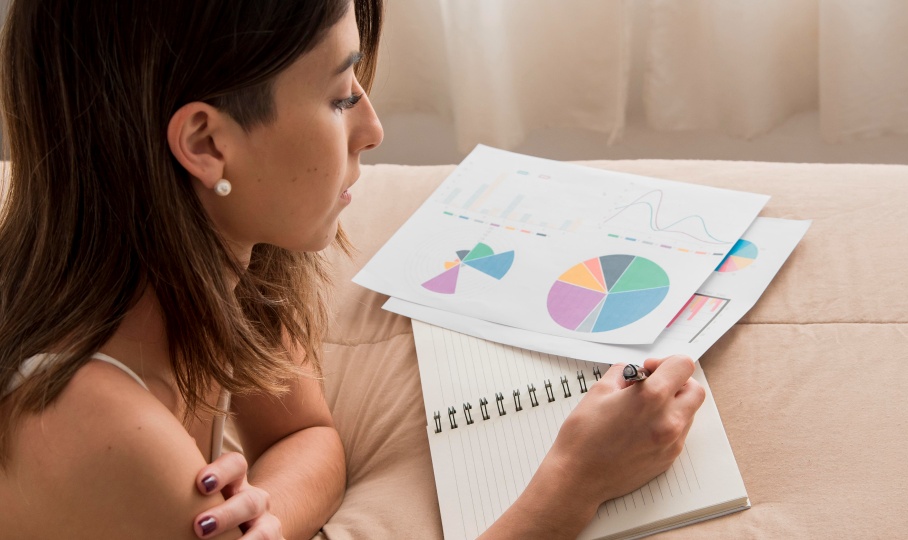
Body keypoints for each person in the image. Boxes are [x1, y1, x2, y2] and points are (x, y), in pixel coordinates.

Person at [0, 1, 705, 538]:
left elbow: (305, 436)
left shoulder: (216, 257)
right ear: (206, 143)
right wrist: (573, 485)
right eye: (340, 96)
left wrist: (263, 520)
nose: (371, 129)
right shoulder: (101, 430)